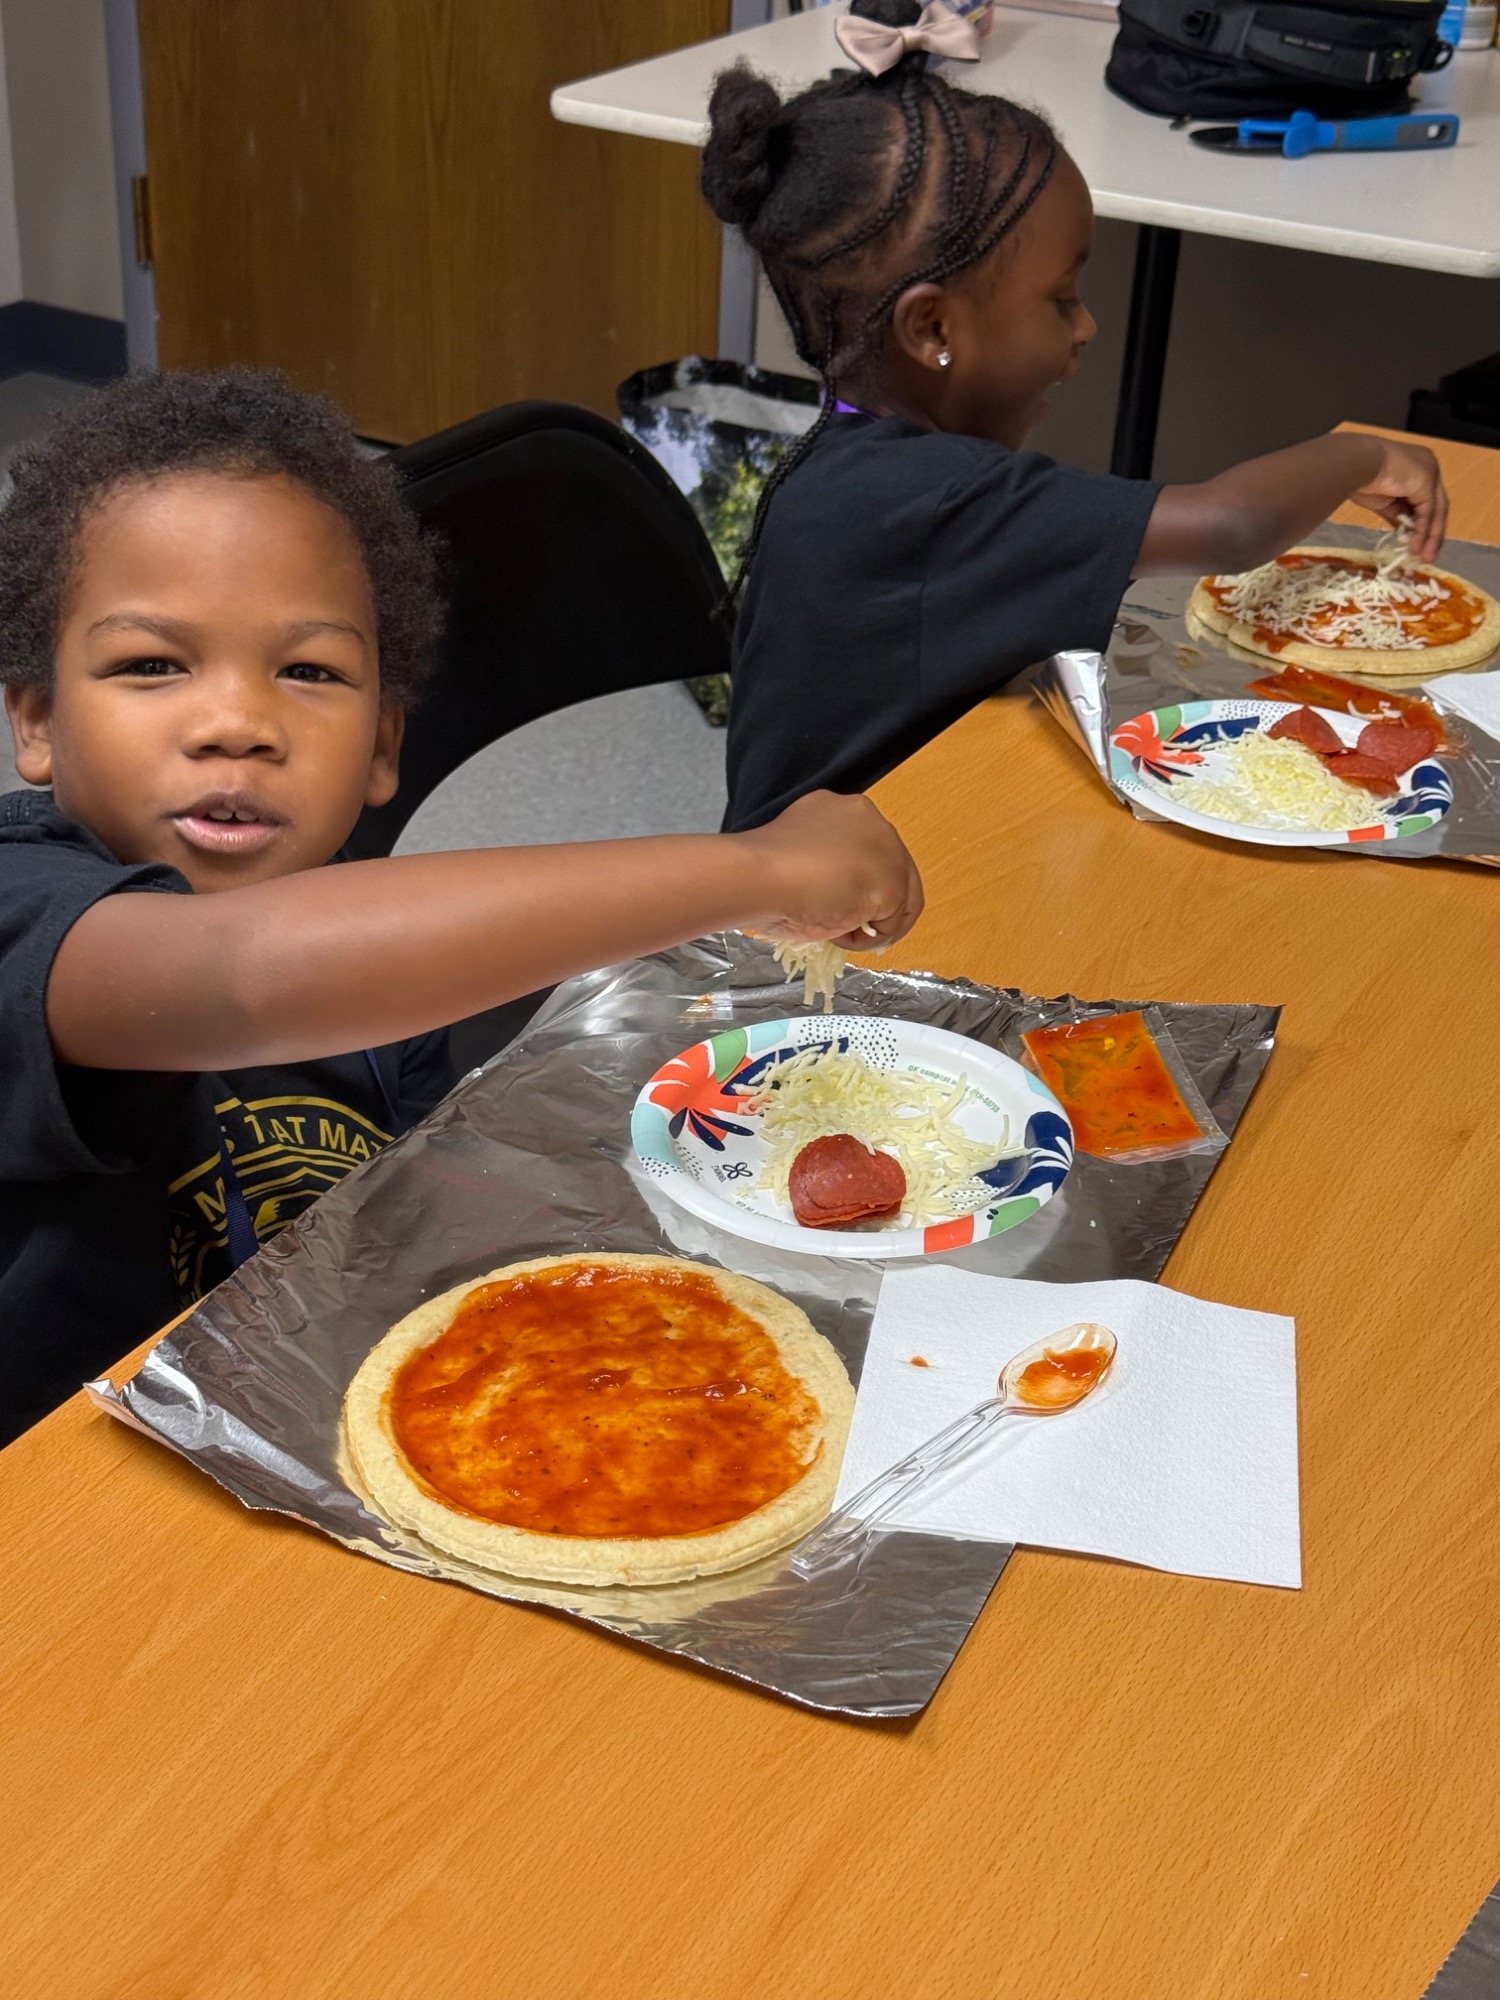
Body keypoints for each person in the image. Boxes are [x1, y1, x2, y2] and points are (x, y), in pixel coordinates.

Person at [0, 368, 922, 1446]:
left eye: (309, 671)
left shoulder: (377, 949)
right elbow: (240, 974)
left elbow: (410, 1200)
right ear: (38, 720)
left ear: (382, 744)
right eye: (153, 663)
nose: (237, 722)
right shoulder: (25, 912)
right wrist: (757, 869)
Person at [702, 0, 1448, 830]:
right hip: (829, 891)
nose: (1087, 326)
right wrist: (1366, 454)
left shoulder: (852, 461)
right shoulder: (934, 501)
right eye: (1061, 299)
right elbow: (1231, 525)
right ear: (933, 329)